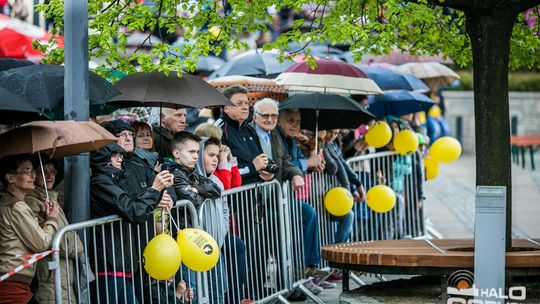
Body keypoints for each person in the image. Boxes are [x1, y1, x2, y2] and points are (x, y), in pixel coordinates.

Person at [89, 143, 174, 304]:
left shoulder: (113, 180)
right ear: (103, 159)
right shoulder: (100, 182)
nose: (120, 158)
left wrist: (158, 193)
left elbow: (134, 204)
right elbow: (135, 212)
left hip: (121, 261)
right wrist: (154, 189)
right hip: (109, 263)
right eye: (114, 155)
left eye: (120, 155)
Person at [0, 154, 59, 303]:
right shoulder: (16, 206)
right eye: (26, 171)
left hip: (14, 280)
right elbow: (42, 243)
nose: (33, 175)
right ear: (10, 178)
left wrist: (42, 217)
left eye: (33, 170)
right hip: (13, 284)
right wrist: (52, 219)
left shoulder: (9, 202)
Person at [25, 159, 84, 304]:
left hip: (63, 277)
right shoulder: (32, 202)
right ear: (33, 175)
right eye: (44, 172)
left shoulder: (52, 199)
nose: (50, 176)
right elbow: (53, 240)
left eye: (53, 171)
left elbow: (65, 236)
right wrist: (75, 246)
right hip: (48, 277)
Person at [214, 85, 268, 185]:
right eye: (239, 104)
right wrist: (252, 167)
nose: (245, 107)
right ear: (226, 108)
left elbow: (261, 158)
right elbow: (221, 171)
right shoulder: (218, 130)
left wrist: (267, 171)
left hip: (256, 194)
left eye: (246, 103)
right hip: (233, 197)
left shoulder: (249, 129)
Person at [194, 123, 242, 189]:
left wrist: (230, 158)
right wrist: (223, 161)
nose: (220, 144)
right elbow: (224, 187)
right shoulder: (206, 167)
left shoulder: (214, 160)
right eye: (218, 140)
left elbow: (236, 183)